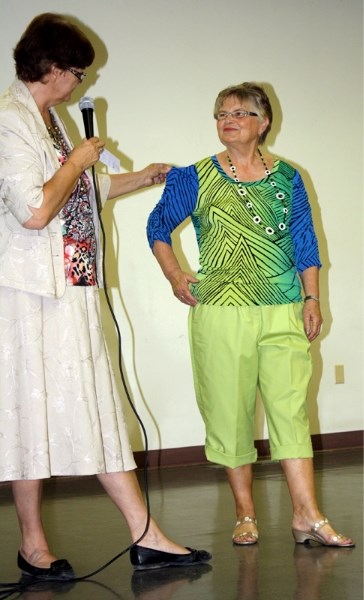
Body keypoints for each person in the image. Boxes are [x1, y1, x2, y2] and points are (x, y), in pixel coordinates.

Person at [0, 13, 211, 579]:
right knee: (29, 415)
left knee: (93, 404)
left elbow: (82, 190)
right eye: (77, 72)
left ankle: (142, 535)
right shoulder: (9, 120)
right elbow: (36, 209)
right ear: (52, 67)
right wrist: (76, 161)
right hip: (30, 297)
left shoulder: (48, 118)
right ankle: (40, 545)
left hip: (69, 286)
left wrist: (143, 176)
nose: (81, 84)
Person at [147, 82, 355, 548]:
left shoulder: (289, 177)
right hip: (221, 312)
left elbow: (305, 242)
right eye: (220, 113)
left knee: (292, 412)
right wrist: (175, 274)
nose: (228, 119)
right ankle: (245, 513)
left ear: (263, 123)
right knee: (229, 415)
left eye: (239, 112)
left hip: (283, 310)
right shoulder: (194, 176)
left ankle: (307, 514)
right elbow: (158, 227)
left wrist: (312, 299)